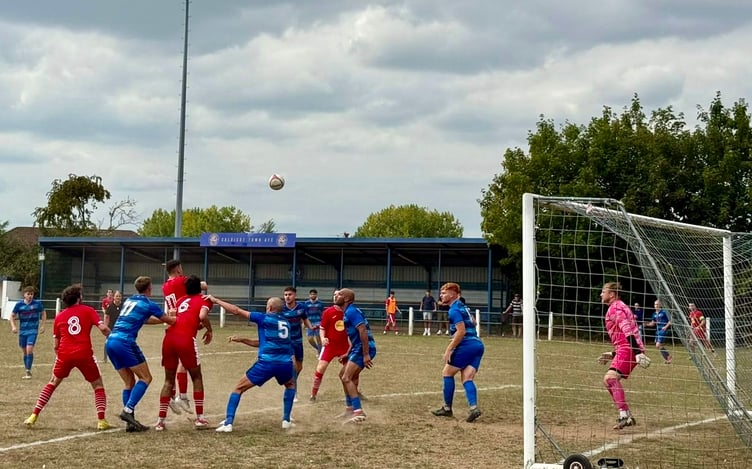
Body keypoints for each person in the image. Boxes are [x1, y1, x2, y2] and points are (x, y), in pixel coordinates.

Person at [24, 284, 112, 430]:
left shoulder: (60, 316)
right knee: (98, 385)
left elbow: (55, 345)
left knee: (52, 383)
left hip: (64, 354)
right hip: (84, 353)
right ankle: (101, 421)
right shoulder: (88, 310)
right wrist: (114, 335)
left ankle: (34, 415)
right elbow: (103, 328)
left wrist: (61, 358)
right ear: (78, 298)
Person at [207, 295, 296, 432]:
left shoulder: (263, 318)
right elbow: (263, 342)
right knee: (290, 385)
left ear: (270, 308)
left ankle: (228, 423)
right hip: (285, 364)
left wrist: (216, 301)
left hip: (267, 363)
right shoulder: (286, 323)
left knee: (238, 388)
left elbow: (236, 310)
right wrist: (243, 340)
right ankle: (286, 420)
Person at [106, 276, 176, 432]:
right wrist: (176, 316)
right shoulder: (148, 304)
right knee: (146, 378)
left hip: (111, 341)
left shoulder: (129, 301)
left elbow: (143, 320)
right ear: (149, 288)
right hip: (125, 342)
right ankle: (128, 410)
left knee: (129, 382)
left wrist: (163, 319)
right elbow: (169, 320)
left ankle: (130, 423)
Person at [155, 275, 214, 431]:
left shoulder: (180, 300)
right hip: (185, 340)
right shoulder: (205, 299)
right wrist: (209, 328)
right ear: (199, 288)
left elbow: (182, 318)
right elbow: (201, 316)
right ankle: (200, 419)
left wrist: (197, 326)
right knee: (196, 377)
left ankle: (160, 422)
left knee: (168, 380)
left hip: (169, 338)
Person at [597, 281, 649, 430]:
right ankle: (625, 415)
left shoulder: (615, 308)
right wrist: (613, 353)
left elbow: (627, 330)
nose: (601, 294)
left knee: (610, 378)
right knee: (609, 380)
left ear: (612, 294)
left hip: (628, 348)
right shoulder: (619, 306)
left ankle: (624, 415)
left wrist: (637, 352)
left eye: (603, 291)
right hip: (625, 348)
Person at [431, 282, 484, 423]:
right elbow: (474, 322)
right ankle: (474, 408)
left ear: (453, 294)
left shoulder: (453, 310)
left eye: (444, 293)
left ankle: (447, 409)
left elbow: (461, 332)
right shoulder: (463, 307)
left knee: (447, 373)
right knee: (467, 377)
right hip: (478, 344)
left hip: (466, 344)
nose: (441, 295)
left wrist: (449, 348)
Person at [162, 259, 208, 415]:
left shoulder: (165, 286)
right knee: (186, 364)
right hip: (183, 323)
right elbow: (202, 285)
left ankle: (175, 396)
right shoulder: (181, 281)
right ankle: (181, 397)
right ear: (178, 270)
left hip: (171, 324)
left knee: (173, 367)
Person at [336, 288, 376, 423]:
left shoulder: (352, 311)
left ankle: (359, 412)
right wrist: (348, 353)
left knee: (347, 377)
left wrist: (365, 354)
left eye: (340, 294)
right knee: (343, 375)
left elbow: (363, 331)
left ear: (347, 299)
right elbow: (355, 336)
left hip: (363, 348)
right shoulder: (348, 312)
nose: (336, 296)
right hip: (357, 348)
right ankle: (350, 409)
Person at [310, 293, 350, 402]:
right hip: (330, 345)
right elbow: (322, 328)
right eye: (334, 295)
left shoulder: (349, 312)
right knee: (321, 367)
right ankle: (313, 394)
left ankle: (354, 392)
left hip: (345, 346)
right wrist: (323, 338)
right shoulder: (328, 312)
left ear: (345, 298)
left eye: (338, 295)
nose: (335, 297)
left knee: (350, 370)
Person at [282, 286, 314, 401]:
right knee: (293, 365)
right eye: (285, 295)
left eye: (289, 294)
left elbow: (305, 319)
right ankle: (293, 392)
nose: (287, 297)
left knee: (299, 367)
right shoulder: (281, 308)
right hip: (287, 341)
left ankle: (290, 380)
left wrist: (311, 327)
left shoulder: (301, 307)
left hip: (298, 341)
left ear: (294, 295)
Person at [10, 286, 47, 379]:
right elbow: (12, 316)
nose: (30, 296)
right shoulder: (19, 305)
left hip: (33, 330)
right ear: (24, 295)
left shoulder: (37, 304)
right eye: (28, 294)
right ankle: (27, 368)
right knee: (25, 352)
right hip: (23, 331)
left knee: (29, 349)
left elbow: (43, 313)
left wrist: (43, 325)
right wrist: (13, 326)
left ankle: (28, 371)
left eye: (32, 294)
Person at [646, 299, 673, 364]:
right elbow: (653, 323)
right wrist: (645, 324)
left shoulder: (664, 312)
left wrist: (665, 327)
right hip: (658, 331)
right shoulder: (654, 314)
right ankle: (667, 358)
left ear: (660, 305)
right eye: (655, 304)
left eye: (657, 304)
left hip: (663, 330)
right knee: (659, 345)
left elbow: (670, 321)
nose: (656, 305)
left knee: (658, 345)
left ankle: (668, 357)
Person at [102, 290, 123, 363]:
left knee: (121, 343)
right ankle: (105, 358)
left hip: (120, 328)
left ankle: (120, 357)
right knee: (108, 342)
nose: (118, 297)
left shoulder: (123, 306)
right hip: (111, 328)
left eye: (119, 296)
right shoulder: (110, 306)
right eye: (116, 296)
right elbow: (106, 317)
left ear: (121, 297)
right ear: (114, 297)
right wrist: (105, 327)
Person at [305, 289, 325, 354]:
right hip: (310, 323)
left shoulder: (320, 303)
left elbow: (323, 313)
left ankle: (319, 353)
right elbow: (305, 314)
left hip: (318, 322)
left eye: (314, 294)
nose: (313, 295)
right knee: (310, 339)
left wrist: (322, 322)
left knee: (318, 338)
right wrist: (305, 323)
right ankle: (318, 348)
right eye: (311, 294)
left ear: (316, 295)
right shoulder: (306, 303)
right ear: (309, 295)